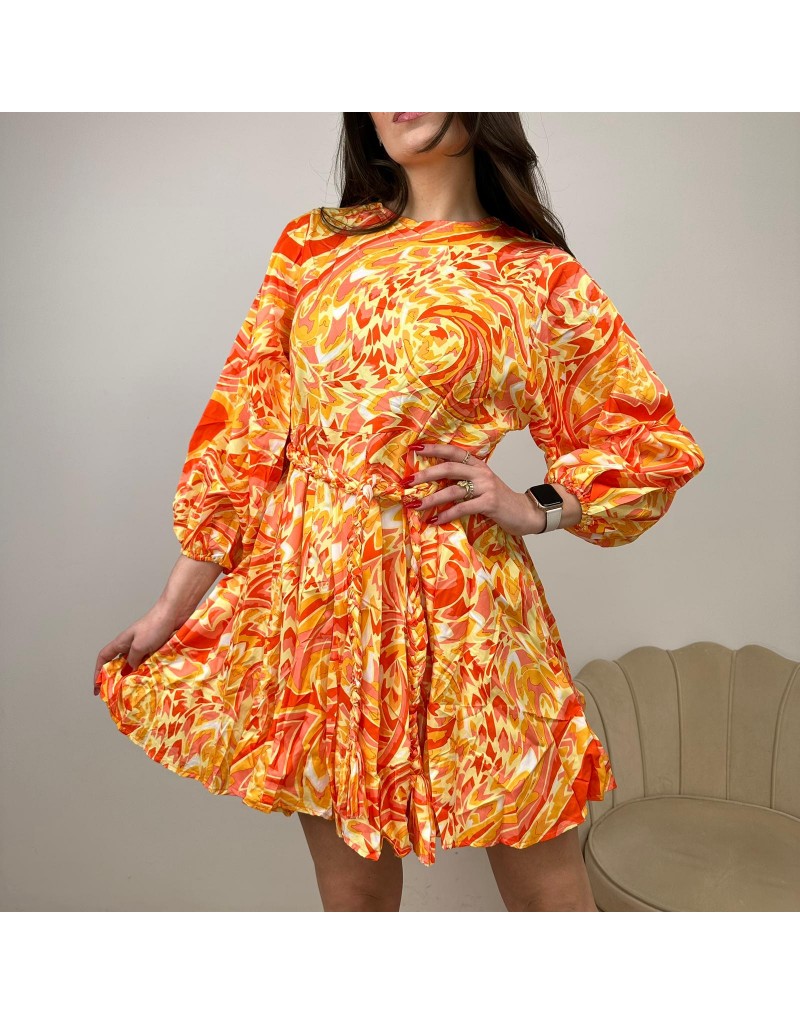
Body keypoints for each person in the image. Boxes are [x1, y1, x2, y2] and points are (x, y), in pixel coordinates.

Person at [93, 112, 706, 912]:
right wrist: (172, 607)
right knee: (353, 893)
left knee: (548, 892)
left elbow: (647, 442)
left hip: (464, 606)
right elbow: (246, 432)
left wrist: (534, 506)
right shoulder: (314, 246)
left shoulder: (538, 277)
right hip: (319, 603)